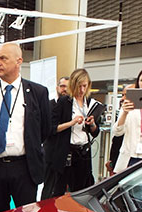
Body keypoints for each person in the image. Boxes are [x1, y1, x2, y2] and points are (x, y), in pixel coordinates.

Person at [0, 43, 51, 212]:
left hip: (25, 167)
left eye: (3, 58)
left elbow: (44, 129)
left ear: (19, 61)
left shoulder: (38, 92)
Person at [42, 68, 100, 199]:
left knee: (81, 191)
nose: (81, 90)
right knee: (58, 190)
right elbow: (52, 128)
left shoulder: (90, 103)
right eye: (79, 86)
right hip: (66, 152)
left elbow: (96, 132)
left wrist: (92, 124)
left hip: (83, 152)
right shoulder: (64, 102)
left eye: (84, 86)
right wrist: (71, 122)